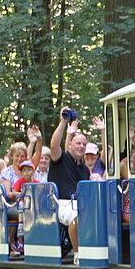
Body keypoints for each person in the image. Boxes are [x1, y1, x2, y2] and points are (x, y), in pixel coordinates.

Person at [48, 108, 91, 252]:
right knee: (76, 218)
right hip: (61, 203)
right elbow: (54, 145)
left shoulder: (84, 169)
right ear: (70, 144)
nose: (81, 146)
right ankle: (78, 252)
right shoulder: (61, 159)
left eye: (84, 144)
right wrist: (63, 121)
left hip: (81, 203)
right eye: (78, 143)